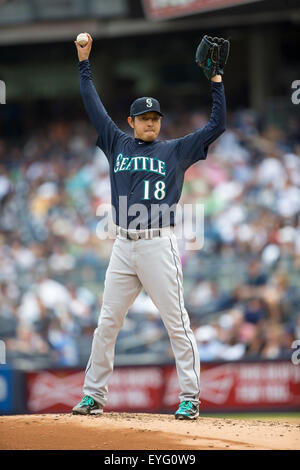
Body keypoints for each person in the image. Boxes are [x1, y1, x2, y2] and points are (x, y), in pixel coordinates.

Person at [72, 33, 226, 420]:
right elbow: (92, 104)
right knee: (107, 323)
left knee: (177, 323)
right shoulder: (116, 142)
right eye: (144, 118)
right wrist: (84, 61)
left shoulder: (175, 150)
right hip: (123, 246)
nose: (150, 123)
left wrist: (216, 81)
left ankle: (190, 396)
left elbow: (216, 126)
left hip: (158, 245)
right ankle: (93, 396)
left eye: (155, 118)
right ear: (132, 122)